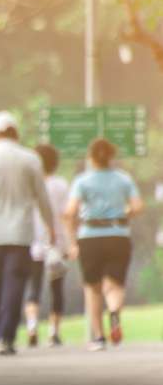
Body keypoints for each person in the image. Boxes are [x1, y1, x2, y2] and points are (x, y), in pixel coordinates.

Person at [0, 111, 54, 356]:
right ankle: (5, 336)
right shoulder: (30, 159)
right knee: (14, 285)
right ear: (16, 132)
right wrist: (50, 226)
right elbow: (42, 197)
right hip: (19, 234)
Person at [64, 138, 142, 351]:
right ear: (111, 157)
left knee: (93, 288)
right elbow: (137, 206)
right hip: (118, 235)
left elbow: (70, 213)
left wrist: (72, 242)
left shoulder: (82, 181)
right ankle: (114, 312)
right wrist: (124, 214)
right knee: (115, 285)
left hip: (89, 236)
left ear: (91, 157)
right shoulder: (123, 179)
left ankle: (98, 337)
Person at [25, 144, 69, 348]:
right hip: (56, 243)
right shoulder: (60, 185)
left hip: (33, 241)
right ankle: (54, 332)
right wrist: (69, 243)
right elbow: (65, 215)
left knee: (33, 286)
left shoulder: (30, 184)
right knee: (56, 288)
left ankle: (32, 326)